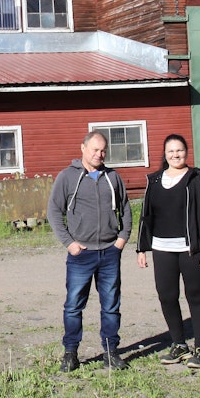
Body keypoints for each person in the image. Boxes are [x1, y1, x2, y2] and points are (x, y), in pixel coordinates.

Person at [47, 130, 133, 372]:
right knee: (74, 305)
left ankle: (111, 352)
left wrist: (122, 238)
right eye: (95, 149)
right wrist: (69, 243)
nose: (99, 154)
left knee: (111, 306)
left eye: (103, 150)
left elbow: (125, 208)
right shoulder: (67, 177)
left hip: (109, 252)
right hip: (81, 254)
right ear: (83, 148)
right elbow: (54, 211)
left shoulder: (113, 177)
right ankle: (71, 353)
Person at [136, 133, 200, 369]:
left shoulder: (197, 178)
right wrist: (142, 248)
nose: (175, 155)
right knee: (167, 296)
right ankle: (179, 344)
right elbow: (146, 217)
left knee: (196, 296)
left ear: (186, 152)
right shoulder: (154, 181)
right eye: (171, 151)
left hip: (191, 249)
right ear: (165, 154)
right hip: (162, 248)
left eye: (179, 150)